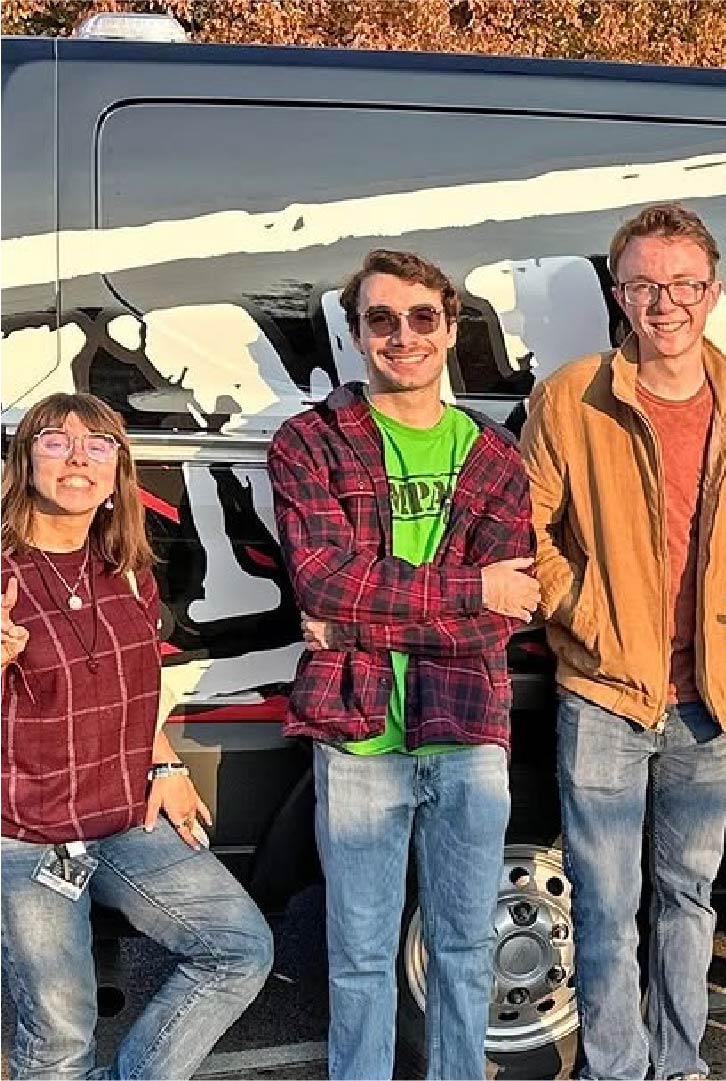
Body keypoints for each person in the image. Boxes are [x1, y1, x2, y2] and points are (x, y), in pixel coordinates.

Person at [522, 202, 726, 1081]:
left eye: (682, 284)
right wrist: (588, 616)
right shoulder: (572, 395)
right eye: (643, 284)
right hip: (602, 691)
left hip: (710, 700)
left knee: (688, 898)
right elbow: (528, 534)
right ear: (618, 291)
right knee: (605, 903)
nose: (664, 302)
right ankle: (616, 1066)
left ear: (712, 293)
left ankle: (680, 1064)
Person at [269, 249, 536, 1080]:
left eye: (423, 317)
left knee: (462, 946)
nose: (403, 335)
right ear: (355, 334)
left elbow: (507, 608)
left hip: (467, 724)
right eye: (380, 319)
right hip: (357, 733)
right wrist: (466, 591)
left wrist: (357, 615)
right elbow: (319, 578)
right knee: (357, 957)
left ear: (451, 329)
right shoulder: (309, 441)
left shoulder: (495, 454)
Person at [3, 392, 273, 1079]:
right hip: (25, 835)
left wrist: (163, 766)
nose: (77, 459)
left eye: (97, 445)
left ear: (118, 468)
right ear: (25, 458)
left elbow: (131, 685)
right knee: (60, 1041)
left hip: (123, 813)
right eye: (56, 442)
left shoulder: (124, 567)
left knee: (239, 947)